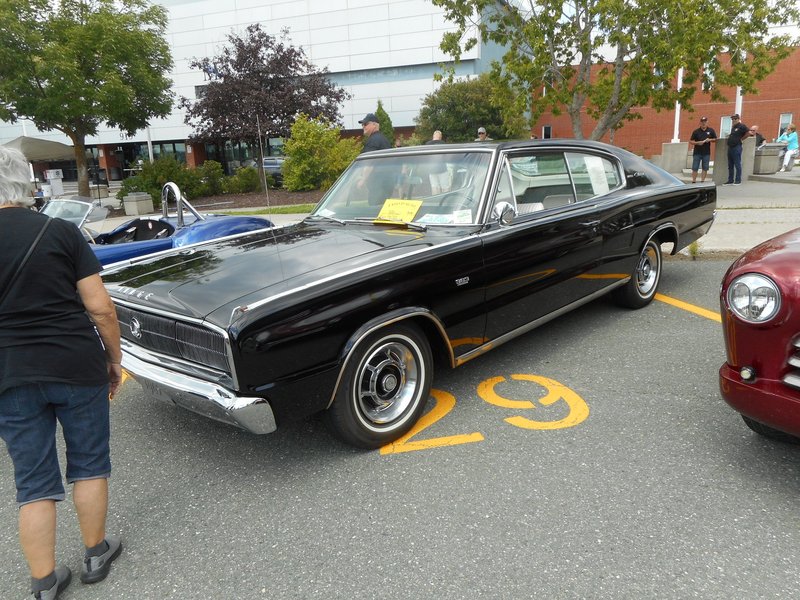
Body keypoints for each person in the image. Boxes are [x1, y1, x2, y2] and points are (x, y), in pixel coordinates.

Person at [0, 146, 123, 600]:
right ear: (27, 182)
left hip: (9, 374)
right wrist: (114, 359)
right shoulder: (60, 232)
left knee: (33, 482)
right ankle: (95, 553)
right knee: (89, 463)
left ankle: (44, 582)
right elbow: (101, 308)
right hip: (75, 364)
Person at [688, 116, 717, 183]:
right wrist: (698, 143)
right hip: (697, 152)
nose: (704, 123)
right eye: (702, 122)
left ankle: (702, 181)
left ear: (707, 122)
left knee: (705, 167)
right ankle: (694, 181)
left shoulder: (711, 130)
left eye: (705, 122)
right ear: (700, 123)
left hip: (706, 153)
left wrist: (709, 140)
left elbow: (715, 139)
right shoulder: (696, 131)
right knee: (695, 167)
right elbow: (691, 141)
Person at [725, 113, 750, 185]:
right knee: (730, 165)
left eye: (735, 119)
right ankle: (730, 180)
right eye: (732, 119)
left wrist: (741, 139)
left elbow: (748, 133)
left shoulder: (742, 126)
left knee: (737, 164)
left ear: (738, 119)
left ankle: (738, 180)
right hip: (730, 147)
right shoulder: (733, 127)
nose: (733, 120)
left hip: (737, 147)